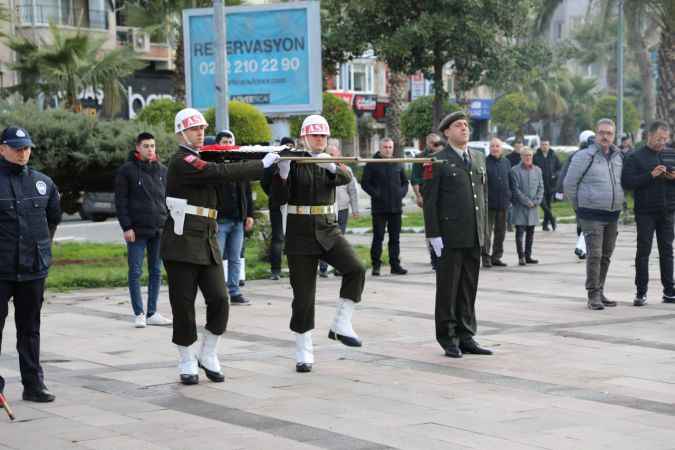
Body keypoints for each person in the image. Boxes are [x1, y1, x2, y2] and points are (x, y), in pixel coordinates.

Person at [161, 108, 279, 385]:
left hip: (207, 237)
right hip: (182, 240)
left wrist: (268, 154)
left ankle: (208, 352)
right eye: (193, 129)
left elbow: (226, 163)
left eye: (202, 128)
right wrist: (261, 165)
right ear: (180, 133)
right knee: (183, 305)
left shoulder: (203, 154)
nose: (200, 133)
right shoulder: (183, 161)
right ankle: (186, 359)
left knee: (219, 299)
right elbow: (217, 172)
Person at [270, 114, 366, 373]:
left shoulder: (327, 160)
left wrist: (333, 167)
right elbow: (277, 197)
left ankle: (340, 324)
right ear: (304, 137)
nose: (319, 140)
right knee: (303, 297)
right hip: (300, 233)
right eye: (315, 135)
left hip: (327, 228)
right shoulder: (293, 160)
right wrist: (282, 174)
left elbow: (346, 177)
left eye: (323, 136)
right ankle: (304, 349)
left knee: (356, 268)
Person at [423, 111, 492, 358]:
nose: (464, 128)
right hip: (449, 235)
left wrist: (485, 232)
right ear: (446, 132)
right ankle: (447, 337)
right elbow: (430, 201)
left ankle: (466, 335)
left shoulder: (478, 158)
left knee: (468, 287)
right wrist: (433, 235)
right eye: (458, 125)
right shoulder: (437, 160)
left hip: (473, 234)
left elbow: (482, 198)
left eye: (466, 125)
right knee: (448, 288)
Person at [0, 126, 61, 402]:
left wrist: (41, 250)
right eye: (16, 148)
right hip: (1, 270)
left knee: (30, 329)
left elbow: (52, 219)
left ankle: (33, 384)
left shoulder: (43, 182)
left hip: (33, 269)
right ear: (2, 149)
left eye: (26, 148)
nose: (22, 153)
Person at [563, 119, 624, 311]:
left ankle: (600, 290)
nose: (605, 136)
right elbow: (569, 185)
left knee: (606, 255)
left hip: (612, 214)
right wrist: (579, 208)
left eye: (609, 133)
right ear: (596, 135)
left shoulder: (618, 156)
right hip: (591, 214)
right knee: (595, 255)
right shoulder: (583, 156)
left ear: (614, 136)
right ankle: (593, 295)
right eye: (602, 132)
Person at [115, 132, 172, 328]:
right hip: (136, 231)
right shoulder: (127, 171)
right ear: (138, 147)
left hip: (159, 229)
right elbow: (121, 201)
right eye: (146, 146)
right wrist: (126, 226)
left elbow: (167, 199)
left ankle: (152, 312)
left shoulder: (163, 170)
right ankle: (138, 312)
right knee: (136, 271)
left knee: (156, 271)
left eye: (153, 146)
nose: (150, 149)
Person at [621, 120, 675, 306]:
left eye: (666, 139)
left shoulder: (670, 154)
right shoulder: (635, 157)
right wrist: (650, 175)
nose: (663, 142)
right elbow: (627, 183)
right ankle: (641, 292)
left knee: (667, 251)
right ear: (649, 136)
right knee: (644, 251)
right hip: (645, 212)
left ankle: (669, 291)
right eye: (659, 138)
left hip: (667, 211)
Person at [213, 130, 254, 305]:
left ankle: (234, 292)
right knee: (217, 258)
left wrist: (249, 214)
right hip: (220, 220)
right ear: (218, 143)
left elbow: (247, 191)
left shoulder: (240, 163)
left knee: (235, 258)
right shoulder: (213, 165)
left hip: (238, 220)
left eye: (230, 140)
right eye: (224, 141)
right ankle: (216, 292)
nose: (228, 143)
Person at [361, 138, 409, 276]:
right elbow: (365, 183)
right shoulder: (372, 163)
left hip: (396, 207)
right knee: (378, 237)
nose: (388, 149)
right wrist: (376, 194)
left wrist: (401, 193)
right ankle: (376, 265)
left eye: (390, 147)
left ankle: (395, 265)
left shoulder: (397, 163)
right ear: (380, 148)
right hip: (379, 208)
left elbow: (405, 182)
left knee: (395, 238)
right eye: (385, 147)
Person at [319, 142, 359, 277]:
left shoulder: (346, 170)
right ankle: (323, 268)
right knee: (324, 239)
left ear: (339, 155)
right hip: (326, 209)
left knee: (339, 239)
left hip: (342, 208)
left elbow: (352, 190)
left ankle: (339, 268)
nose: (331, 157)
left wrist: (355, 209)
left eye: (333, 154)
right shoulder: (320, 168)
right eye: (329, 154)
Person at [557, 130, 597, 260]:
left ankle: (583, 248)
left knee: (582, 221)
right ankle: (582, 247)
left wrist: (559, 190)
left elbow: (564, 174)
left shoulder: (574, 155)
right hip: (590, 194)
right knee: (590, 221)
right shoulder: (595, 155)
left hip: (577, 195)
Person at [262, 136, 295, 280]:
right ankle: (275, 270)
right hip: (277, 204)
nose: (289, 149)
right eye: (287, 146)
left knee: (294, 237)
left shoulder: (297, 162)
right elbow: (265, 182)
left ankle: (295, 267)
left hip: (294, 204)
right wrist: (273, 193)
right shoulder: (273, 163)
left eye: (291, 146)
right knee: (278, 237)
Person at [411, 133, 444, 270]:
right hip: (427, 197)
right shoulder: (420, 158)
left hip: (442, 198)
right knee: (431, 228)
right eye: (432, 143)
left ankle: (443, 256)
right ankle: (434, 257)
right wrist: (419, 196)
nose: (434, 146)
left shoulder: (442, 156)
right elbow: (415, 179)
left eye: (437, 143)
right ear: (427, 143)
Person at [510, 147, 544, 265]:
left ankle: (528, 256)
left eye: (530, 155)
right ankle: (521, 257)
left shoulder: (538, 170)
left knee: (531, 233)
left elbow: (541, 187)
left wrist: (536, 201)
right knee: (520, 233)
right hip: (520, 207)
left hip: (533, 207)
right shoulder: (514, 170)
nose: (528, 157)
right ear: (521, 157)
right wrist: (526, 201)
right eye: (525, 155)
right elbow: (515, 189)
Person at [484, 137, 511, 267]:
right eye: (492, 146)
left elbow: (510, 181)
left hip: (503, 203)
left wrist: (510, 196)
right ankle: (485, 257)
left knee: (501, 232)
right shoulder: (484, 162)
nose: (495, 149)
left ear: (501, 148)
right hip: (489, 204)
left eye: (497, 146)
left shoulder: (506, 162)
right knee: (487, 233)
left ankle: (496, 257)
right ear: (489, 148)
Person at [533, 140, 562, 231]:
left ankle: (545, 225)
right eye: (542, 145)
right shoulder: (536, 157)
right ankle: (552, 219)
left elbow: (559, 168)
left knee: (548, 205)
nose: (544, 146)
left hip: (550, 185)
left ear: (549, 146)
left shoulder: (553, 156)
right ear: (540, 146)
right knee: (543, 205)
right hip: (539, 185)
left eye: (546, 145)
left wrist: (555, 175)